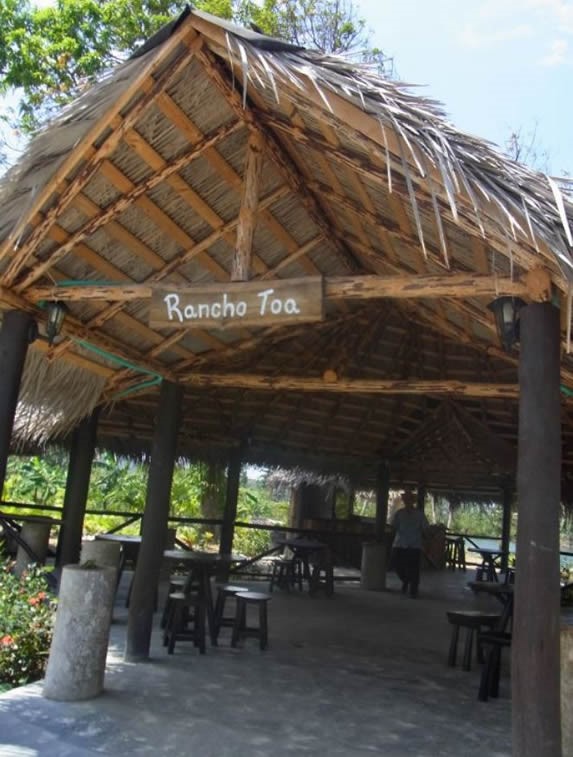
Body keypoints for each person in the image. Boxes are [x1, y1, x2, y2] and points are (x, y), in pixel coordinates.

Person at [391, 488, 429, 598]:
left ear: (413, 501)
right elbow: (394, 527)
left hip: (414, 545)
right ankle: (406, 580)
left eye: (409, 500)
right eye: (406, 499)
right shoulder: (399, 513)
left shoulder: (420, 515)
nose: (407, 502)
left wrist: (427, 540)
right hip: (400, 543)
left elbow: (425, 528)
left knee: (414, 568)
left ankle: (413, 589)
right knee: (396, 565)